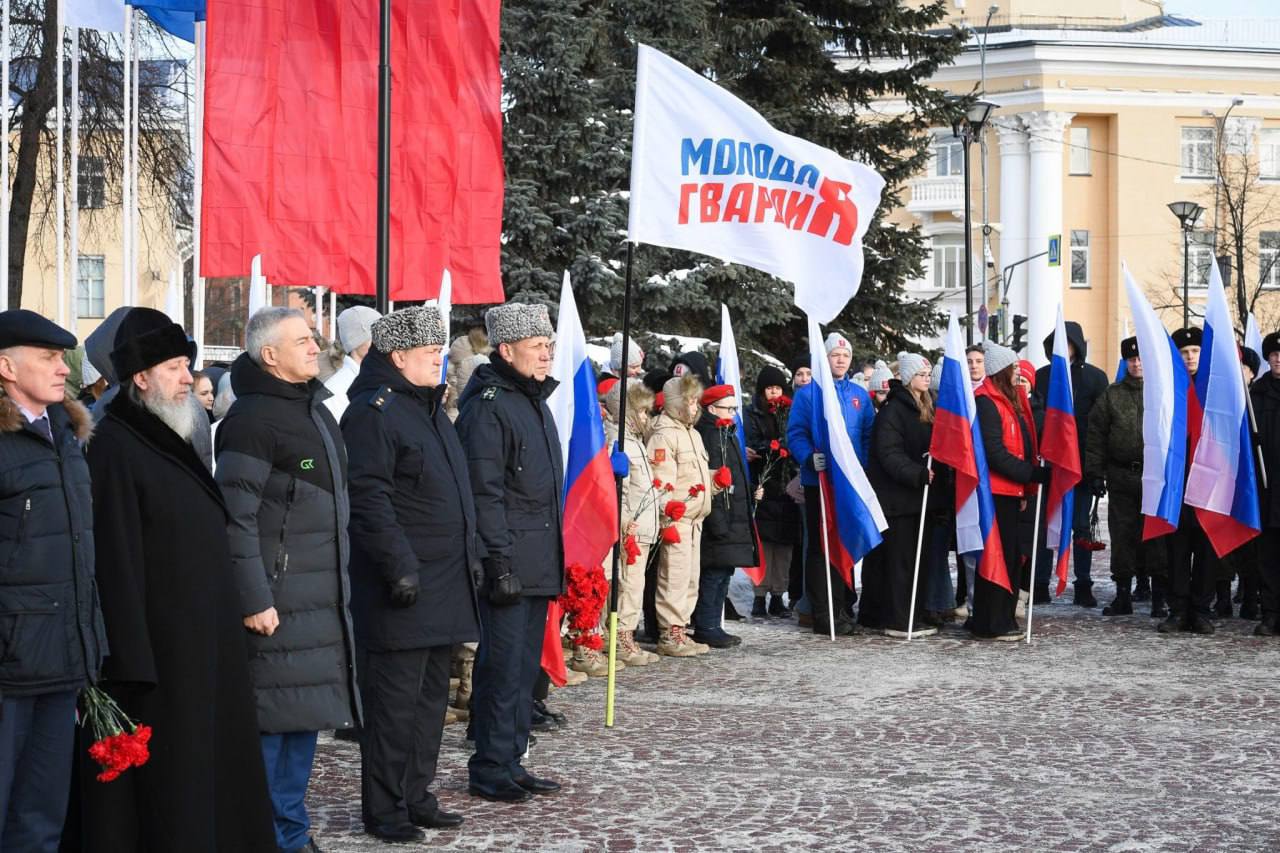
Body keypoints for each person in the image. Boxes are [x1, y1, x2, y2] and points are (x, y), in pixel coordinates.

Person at [73, 307, 275, 852]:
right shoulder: (114, 445)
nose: (191, 378)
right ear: (140, 378)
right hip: (158, 659)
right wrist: (130, 664)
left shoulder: (168, 434)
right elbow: (114, 562)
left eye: (188, 366)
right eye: (175, 368)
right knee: (171, 790)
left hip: (202, 646)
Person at [215, 306, 361, 853]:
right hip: (276, 603)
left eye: (313, 336)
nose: (314, 345)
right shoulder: (251, 420)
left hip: (318, 598)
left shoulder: (314, 410)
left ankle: (291, 832)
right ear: (268, 355)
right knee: (272, 731)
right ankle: (272, 837)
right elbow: (235, 518)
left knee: (302, 725)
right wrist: (253, 597)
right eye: (301, 339)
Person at [342, 306, 479, 842]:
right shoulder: (374, 413)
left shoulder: (426, 409)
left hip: (442, 583)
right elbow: (370, 498)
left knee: (427, 705)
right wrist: (398, 565)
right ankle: (385, 808)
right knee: (392, 709)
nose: (439, 362)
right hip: (400, 587)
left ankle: (416, 794)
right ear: (398, 358)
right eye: (429, 355)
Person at [0, 312, 105, 853]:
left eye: (63, 357)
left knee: (42, 814)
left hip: (62, 653)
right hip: (9, 661)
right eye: (47, 357)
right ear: (5, 366)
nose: (63, 368)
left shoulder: (67, 434)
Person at [455, 302, 565, 803]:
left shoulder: (531, 399)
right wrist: (496, 560)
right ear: (506, 350)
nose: (547, 355)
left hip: (538, 554)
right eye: (537, 347)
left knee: (524, 668)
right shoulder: (491, 404)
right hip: (508, 559)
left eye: (549, 346)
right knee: (502, 666)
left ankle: (512, 756)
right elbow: (485, 490)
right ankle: (490, 764)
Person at [787, 332, 875, 636]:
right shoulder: (809, 393)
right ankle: (825, 614)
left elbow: (866, 435)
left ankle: (843, 607)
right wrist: (809, 458)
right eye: (835, 355)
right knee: (822, 547)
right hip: (820, 482)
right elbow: (795, 433)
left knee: (846, 542)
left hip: (849, 484)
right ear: (825, 359)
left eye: (845, 355)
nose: (841, 359)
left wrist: (860, 467)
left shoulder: (859, 395)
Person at [972, 341, 1050, 640]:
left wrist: (1027, 481)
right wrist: (1031, 473)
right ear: (1000, 371)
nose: (1018, 372)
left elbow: (1021, 443)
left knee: (1011, 556)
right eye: (1014, 367)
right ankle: (991, 621)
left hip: (1012, 491)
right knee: (997, 558)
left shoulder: (1008, 399)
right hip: (995, 492)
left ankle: (1002, 617)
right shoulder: (987, 402)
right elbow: (994, 452)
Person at [1085, 337, 1168, 618]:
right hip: (1122, 476)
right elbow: (1096, 435)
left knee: (1156, 536)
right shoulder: (1112, 395)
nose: (1137, 363)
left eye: (1141, 358)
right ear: (1126, 362)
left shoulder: (1163, 392)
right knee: (1123, 537)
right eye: (1132, 360)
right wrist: (1095, 473)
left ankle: (1159, 597)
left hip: (1155, 476)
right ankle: (1123, 595)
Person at [1033, 321, 1109, 608]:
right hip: (1048, 465)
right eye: (1057, 343)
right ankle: (1040, 583)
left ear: (1077, 345)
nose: (1062, 349)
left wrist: (1097, 469)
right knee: (1045, 525)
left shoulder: (1094, 378)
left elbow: (1102, 426)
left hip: (1083, 467)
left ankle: (1083, 584)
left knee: (1081, 527)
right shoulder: (1042, 378)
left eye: (1067, 343)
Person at [864, 353, 939, 639]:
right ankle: (898, 617)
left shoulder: (926, 406)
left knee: (916, 560)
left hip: (919, 498)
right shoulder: (893, 410)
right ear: (907, 378)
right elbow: (888, 453)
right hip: (898, 499)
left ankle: (913, 613)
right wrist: (916, 473)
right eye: (920, 374)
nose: (925, 378)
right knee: (900, 562)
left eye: (927, 374)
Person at [649, 373, 718, 656]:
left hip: (695, 520)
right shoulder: (664, 434)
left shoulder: (693, 434)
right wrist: (667, 516)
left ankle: (681, 627)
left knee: (690, 577)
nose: (695, 406)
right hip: (677, 520)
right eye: (689, 401)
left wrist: (714, 481)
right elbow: (662, 480)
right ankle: (669, 631)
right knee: (674, 577)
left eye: (696, 401)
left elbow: (692, 476)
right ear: (677, 403)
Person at [692, 384, 759, 649]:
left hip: (731, 517)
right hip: (720, 520)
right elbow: (714, 482)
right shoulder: (711, 434)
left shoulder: (724, 431)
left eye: (734, 408)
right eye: (728, 408)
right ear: (712, 408)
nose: (733, 413)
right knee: (714, 574)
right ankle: (707, 625)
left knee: (723, 573)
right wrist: (719, 523)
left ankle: (713, 624)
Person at [1160, 326, 1216, 635]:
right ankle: (1178, 610)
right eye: (1184, 352)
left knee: (1206, 551)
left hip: (1209, 481)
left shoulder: (1214, 388)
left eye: (1195, 351)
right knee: (1177, 551)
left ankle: (1201, 610)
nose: (1190, 356)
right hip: (1178, 482)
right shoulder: (1170, 389)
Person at [606, 380, 662, 666]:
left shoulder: (637, 441)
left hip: (643, 527)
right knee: (627, 585)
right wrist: (625, 520)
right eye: (640, 411)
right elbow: (619, 489)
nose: (645, 418)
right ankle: (620, 638)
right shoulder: (618, 440)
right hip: (630, 529)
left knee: (635, 584)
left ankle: (627, 633)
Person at [744, 365, 798, 617]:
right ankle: (759, 595)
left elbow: (794, 437)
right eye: (769, 389)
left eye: (778, 388)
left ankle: (778, 594)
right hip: (763, 484)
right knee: (764, 543)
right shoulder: (752, 414)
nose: (774, 394)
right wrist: (772, 448)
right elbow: (752, 444)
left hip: (786, 484)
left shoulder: (790, 412)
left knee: (784, 545)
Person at [1251, 331, 1280, 637]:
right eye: (1274, 355)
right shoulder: (1256, 394)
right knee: (1268, 556)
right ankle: (1270, 612)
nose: (1279, 359)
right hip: (1266, 486)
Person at [323, 305, 381, 422]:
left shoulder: (377, 376)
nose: (381, 344)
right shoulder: (336, 389)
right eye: (375, 336)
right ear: (356, 342)